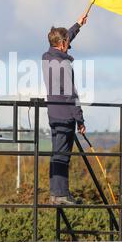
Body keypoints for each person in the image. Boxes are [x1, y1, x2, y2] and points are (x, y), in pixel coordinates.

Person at [42, 12, 88, 205]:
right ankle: (60, 195)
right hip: (66, 115)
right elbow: (71, 93)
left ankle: (56, 194)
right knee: (62, 155)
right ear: (61, 44)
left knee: (57, 154)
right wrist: (80, 119)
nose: (69, 46)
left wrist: (78, 25)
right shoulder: (64, 64)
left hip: (53, 114)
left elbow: (63, 37)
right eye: (67, 43)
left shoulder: (48, 56)